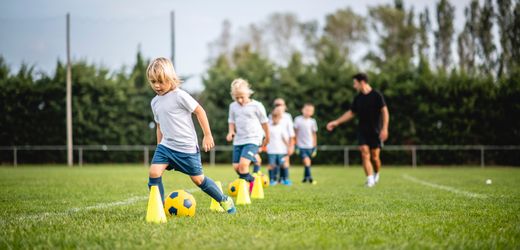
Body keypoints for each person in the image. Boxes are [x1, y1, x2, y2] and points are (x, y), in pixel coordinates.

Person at [146, 57, 236, 214]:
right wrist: (159, 145)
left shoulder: (179, 95)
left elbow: (199, 111)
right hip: (166, 147)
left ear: (171, 78)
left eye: (161, 81)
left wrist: (207, 135)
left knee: (198, 180)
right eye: (153, 82)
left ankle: (224, 200)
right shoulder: (155, 102)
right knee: (154, 173)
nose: (157, 86)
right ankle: (159, 208)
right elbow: (159, 125)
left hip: (186, 148)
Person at [326, 73, 389, 188]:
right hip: (362, 130)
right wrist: (336, 122)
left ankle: (376, 173)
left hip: (376, 131)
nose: (354, 86)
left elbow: (385, 112)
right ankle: (370, 180)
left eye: (355, 83)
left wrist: (384, 128)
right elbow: (351, 113)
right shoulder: (358, 98)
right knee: (365, 153)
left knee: (375, 157)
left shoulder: (376, 95)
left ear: (362, 82)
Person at [226, 78, 269, 192]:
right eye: (236, 97)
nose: (239, 100)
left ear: (248, 93)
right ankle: (253, 180)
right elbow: (231, 121)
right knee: (237, 167)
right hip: (239, 140)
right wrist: (231, 132)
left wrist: (267, 137)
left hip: (253, 139)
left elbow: (265, 123)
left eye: (242, 97)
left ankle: (247, 190)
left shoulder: (257, 106)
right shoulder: (233, 106)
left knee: (243, 166)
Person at [271, 98, 296, 183]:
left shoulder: (287, 117)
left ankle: (284, 179)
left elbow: (291, 134)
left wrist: (291, 146)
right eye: (276, 105)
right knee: (274, 164)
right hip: (273, 145)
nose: (278, 106)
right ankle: (274, 179)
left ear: (284, 106)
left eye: (280, 104)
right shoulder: (270, 116)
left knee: (284, 163)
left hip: (284, 145)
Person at [294, 103, 318, 184]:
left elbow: (314, 134)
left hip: (310, 146)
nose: (308, 112)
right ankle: (310, 177)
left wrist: (315, 147)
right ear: (302, 110)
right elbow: (295, 133)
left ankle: (305, 178)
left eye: (310, 110)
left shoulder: (312, 121)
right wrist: (295, 144)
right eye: (306, 110)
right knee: (307, 161)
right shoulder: (297, 119)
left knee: (306, 162)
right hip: (301, 146)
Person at [266, 107, 291, 185]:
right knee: (272, 165)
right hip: (271, 151)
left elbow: (284, 138)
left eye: (277, 118)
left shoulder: (281, 127)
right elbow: (266, 137)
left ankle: (285, 179)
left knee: (284, 165)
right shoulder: (268, 127)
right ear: (271, 118)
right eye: (274, 117)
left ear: (280, 118)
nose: (275, 119)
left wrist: (288, 147)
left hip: (281, 150)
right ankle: (272, 180)